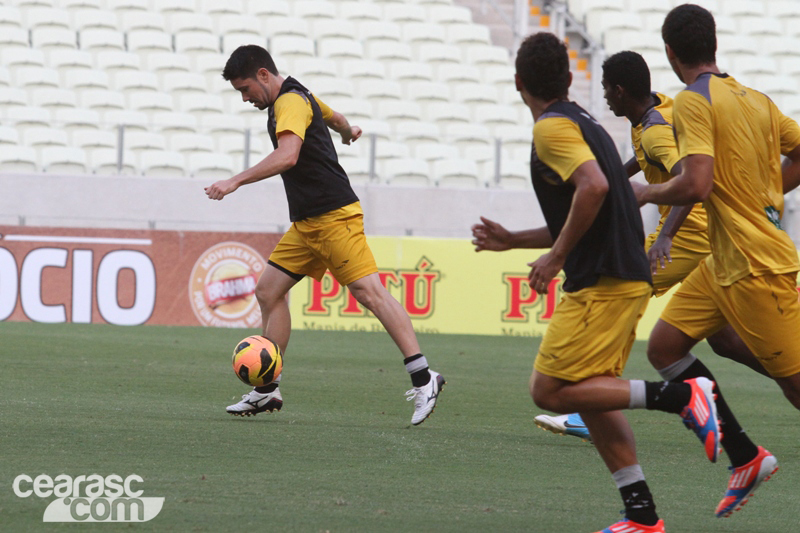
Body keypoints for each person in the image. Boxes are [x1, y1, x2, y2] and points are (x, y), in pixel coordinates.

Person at [472, 32, 723, 533]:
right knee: (591, 394)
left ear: (518, 82)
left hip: (604, 280)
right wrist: (514, 240)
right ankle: (642, 516)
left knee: (549, 390)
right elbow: (594, 208)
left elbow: (594, 187)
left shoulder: (552, 129)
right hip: (622, 274)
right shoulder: (587, 124)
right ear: (570, 79)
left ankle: (683, 397)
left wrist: (556, 257)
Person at [534, 51, 774, 473]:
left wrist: (665, 236)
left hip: (688, 235)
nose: (604, 97)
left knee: (620, 290)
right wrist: (618, 177)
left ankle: (588, 406)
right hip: (706, 235)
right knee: (724, 341)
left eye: (606, 89)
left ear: (620, 91)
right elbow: (649, 159)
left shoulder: (654, 130)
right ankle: (791, 376)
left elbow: (690, 178)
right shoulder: (654, 112)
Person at [204, 45, 445, 425]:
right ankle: (267, 389)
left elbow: (288, 155)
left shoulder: (290, 102)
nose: (245, 98)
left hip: (334, 217)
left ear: (264, 75)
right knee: (268, 291)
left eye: (245, 89)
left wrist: (235, 181)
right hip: (307, 224)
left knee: (370, 293)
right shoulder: (301, 95)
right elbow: (336, 118)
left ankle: (424, 377)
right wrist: (349, 132)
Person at [632, 4, 800, 518]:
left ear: (669, 52)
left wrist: (645, 193)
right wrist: (763, 196)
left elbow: (697, 183)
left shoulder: (691, 100)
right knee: (666, 348)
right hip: (722, 261)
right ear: (715, 43)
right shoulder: (757, 99)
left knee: (797, 388)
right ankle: (745, 457)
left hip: (755, 266)